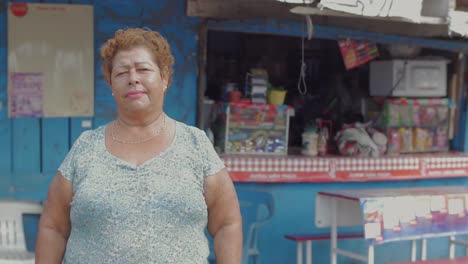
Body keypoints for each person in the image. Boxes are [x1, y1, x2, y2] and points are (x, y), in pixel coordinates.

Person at [35, 28, 242, 263]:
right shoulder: (86, 148)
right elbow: (53, 227)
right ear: (111, 85)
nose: (133, 78)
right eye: (121, 73)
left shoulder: (195, 145)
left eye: (143, 69)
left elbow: (227, 223)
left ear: (164, 78)